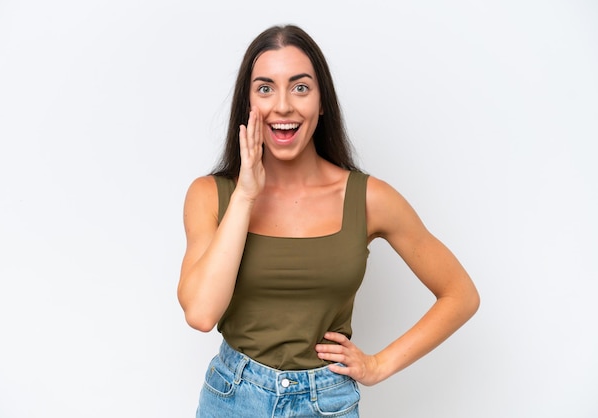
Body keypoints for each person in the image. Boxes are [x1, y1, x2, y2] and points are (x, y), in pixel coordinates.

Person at [177, 24, 480, 418]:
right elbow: (201, 314)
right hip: (232, 398)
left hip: (326, 404)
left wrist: (379, 365)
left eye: (300, 87)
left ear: (322, 102)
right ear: (247, 104)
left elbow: (460, 294)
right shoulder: (210, 195)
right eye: (265, 88)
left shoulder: (370, 198)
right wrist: (246, 195)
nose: (283, 106)